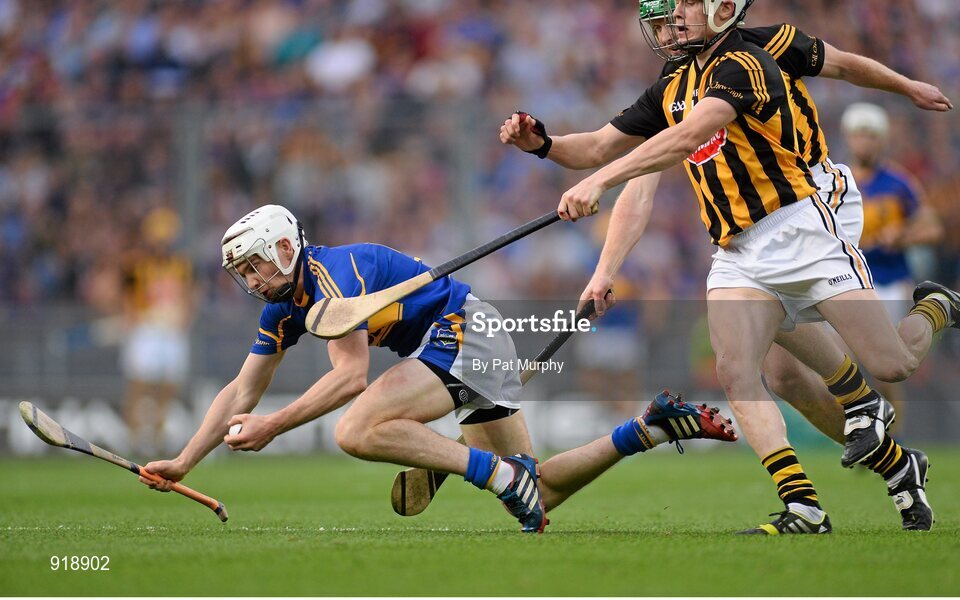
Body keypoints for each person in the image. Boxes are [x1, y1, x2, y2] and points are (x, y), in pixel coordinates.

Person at [507, 0, 960, 534]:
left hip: (801, 222)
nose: (672, 18)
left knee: (893, 361)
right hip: (739, 251)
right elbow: (597, 146)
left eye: (686, 5)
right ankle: (804, 507)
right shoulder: (671, 87)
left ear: (722, 7)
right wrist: (541, 143)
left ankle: (933, 309)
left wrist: (907, 86)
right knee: (746, 371)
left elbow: (695, 133)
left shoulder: (749, 61)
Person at [140, 204, 738, 532]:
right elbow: (244, 386)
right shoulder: (283, 306)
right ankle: (654, 426)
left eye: (253, 266)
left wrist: (274, 424)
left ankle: (492, 474)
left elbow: (350, 379)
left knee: (355, 429)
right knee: (542, 490)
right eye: (240, 273)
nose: (249, 281)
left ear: (284, 248)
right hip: (456, 342)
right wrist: (188, 459)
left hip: (461, 332)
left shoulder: (331, 280)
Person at [842, 102, 943, 429]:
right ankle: (862, 431)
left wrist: (901, 236)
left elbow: (932, 228)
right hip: (848, 282)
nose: (864, 143)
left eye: (870, 136)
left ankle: (892, 436)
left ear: (882, 140)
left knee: (886, 367)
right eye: (858, 135)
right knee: (847, 364)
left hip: (889, 280)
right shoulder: (838, 181)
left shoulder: (900, 183)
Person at [121, 207, 194, 456]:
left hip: (171, 332)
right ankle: (134, 439)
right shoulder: (137, 265)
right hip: (147, 330)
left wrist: (184, 318)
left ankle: (158, 440)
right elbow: (128, 297)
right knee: (140, 387)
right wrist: (135, 319)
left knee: (167, 389)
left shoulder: (181, 265)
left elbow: (188, 296)